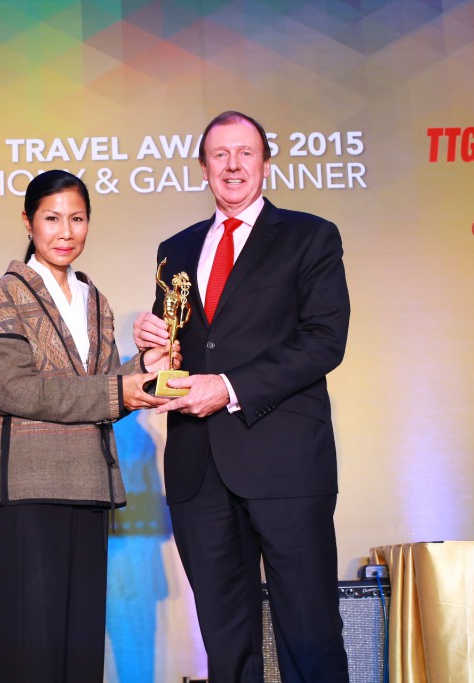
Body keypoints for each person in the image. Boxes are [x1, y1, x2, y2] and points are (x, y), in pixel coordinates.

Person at [134, 111, 351, 682]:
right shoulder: (175, 249)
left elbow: (325, 341)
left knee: (309, 633)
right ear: (204, 167)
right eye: (220, 155)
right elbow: (175, 357)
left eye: (245, 153)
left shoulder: (311, 236)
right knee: (226, 643)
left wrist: (228, 388)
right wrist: (152, 356)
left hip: (284, 464)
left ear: (265, 163)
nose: (233, 165)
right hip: (198, 469)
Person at [0, 170, 175, 683]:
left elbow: (108, 389)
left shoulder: (95, 299)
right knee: (33, 649)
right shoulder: (7, 293)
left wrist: (146, 368)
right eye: (52, 218)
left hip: (88, 484)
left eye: (78, 218)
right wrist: (116, 390)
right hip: (29, 487)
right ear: (28, 221)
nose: (66, 231)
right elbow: (13, 389)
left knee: (80, 650)